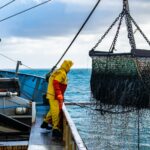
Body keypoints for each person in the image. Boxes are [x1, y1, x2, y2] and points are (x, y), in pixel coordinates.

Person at [41, 60, 73, 139]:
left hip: (52, 94)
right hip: (54, 95)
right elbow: (56, 83)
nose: (70, 69)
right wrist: (59, 94)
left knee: (53, 109)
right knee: (56, 111)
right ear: (67, 66)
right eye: (70, 67)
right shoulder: (61, 73)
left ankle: (45, 122)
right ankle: (55, 129)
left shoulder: (58, 71)